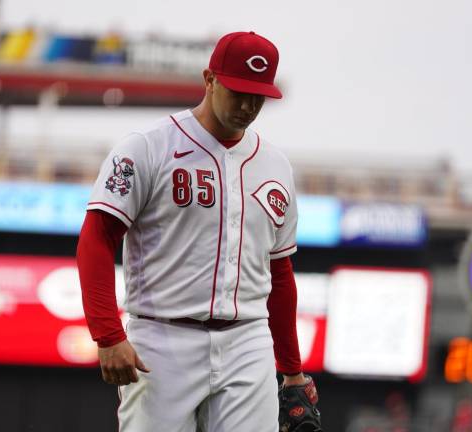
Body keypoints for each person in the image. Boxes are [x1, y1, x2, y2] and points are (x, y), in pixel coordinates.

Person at [77, 30, 315, 431]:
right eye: (239, 92)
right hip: (162, 336)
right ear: (210, 79)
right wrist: (108, 334)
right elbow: (97, 238)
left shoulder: (275, 166)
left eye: (258, 96)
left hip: (248, 340)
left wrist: (292, 370)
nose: (247, 106)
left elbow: (279, 272)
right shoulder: (148, 146)